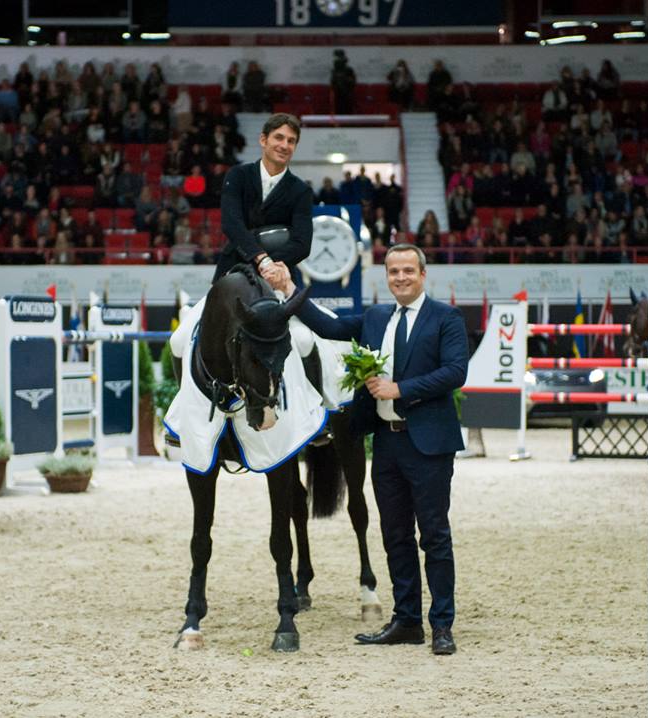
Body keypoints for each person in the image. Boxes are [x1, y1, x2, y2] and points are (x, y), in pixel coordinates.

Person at [273, 243, 467, 656]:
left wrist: (401, 389)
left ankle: (442, 625)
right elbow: (328, 327)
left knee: (434, 536)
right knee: (394, 535)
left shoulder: (446, 317)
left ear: (423, 274)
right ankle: (407, 621)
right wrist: (291, 288)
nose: (400, 278)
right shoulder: (377, 317)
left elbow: (455, 372)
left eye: (408, 271)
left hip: (430, 443)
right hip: (385, 442)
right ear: (386, 275)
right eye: (393, 271)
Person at [213, 113, 313, 286]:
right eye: (279, 138)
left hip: (280, 274)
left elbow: (302, 244)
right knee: (201, 313)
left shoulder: (302, 191)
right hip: (233, 268)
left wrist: (270, 266)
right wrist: (261, 259)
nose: (284, 145)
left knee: (296, 312)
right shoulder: (237, 175)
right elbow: (231, 224)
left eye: (291, 141)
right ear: (263, 140)